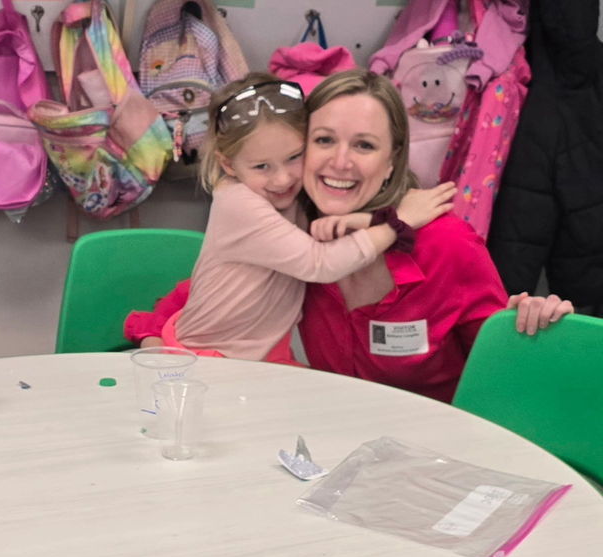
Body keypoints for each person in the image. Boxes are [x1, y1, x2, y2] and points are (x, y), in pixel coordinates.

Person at [129, 69, 571, 402]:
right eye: (323, 141)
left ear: (392, 159)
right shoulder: (296, 223)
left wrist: (531, 322)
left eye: (363, 145)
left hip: (432, 445)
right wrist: (156, 340)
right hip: (331, 436)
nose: (339, 162)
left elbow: (504, 368)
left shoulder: (444, 243)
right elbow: (202, 296)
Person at [125, 72, 455, 365]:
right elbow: (319, 264)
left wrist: (363, 219)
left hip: (259, 359)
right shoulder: (238, 202)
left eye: (294, 157)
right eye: (261, 166)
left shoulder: (293, 197)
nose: (283, 179)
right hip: (211, 362)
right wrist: (396, 224)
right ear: (229, 166)